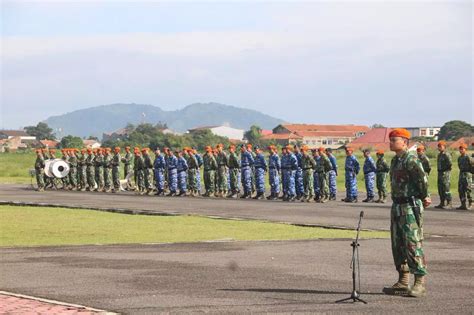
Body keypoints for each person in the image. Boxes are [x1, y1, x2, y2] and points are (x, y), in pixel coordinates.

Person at [384, 128, 429, 298]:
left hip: (410, 206)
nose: (391, 142)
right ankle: (403, 280)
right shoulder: (396, 161)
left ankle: (419, 282)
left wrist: (423, 197)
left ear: (405, 142)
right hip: (397, 205)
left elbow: (422, 180)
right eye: (391, 139)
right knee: (398, 244)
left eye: (395, 140)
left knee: (412, 243)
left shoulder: (411, 160)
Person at [435, 141, 452, 209]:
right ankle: (442, 202)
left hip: (445, 174)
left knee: (446, 188)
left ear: (444, 147)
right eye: (438, 147)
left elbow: (450, 164)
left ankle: (449, 203)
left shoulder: (446, 154)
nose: (439, 148)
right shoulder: (439, 155)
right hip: (440, 173)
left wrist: (445, 170)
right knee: (440, 188)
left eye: (441, 146)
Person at [457, 143, 472, 210]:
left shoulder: (468, 157)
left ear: (465, 149)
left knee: (468, 190)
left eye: (462, 149)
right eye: (460, 149)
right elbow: (459, 166)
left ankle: (471, 203)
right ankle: (463, 204)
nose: (461, 150)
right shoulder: (459, 158)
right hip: (461, 175)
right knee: (461, 190)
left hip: (467, 175)